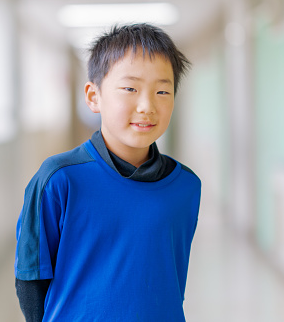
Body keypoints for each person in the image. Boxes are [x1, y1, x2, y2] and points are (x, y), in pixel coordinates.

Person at [15, 23, 201, 321]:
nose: (147, 105)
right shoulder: (59, 179)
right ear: (93, 96)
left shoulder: (186, 187)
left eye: (162, 90)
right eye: (130, 88)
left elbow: (170, 279)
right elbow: (30, 276)